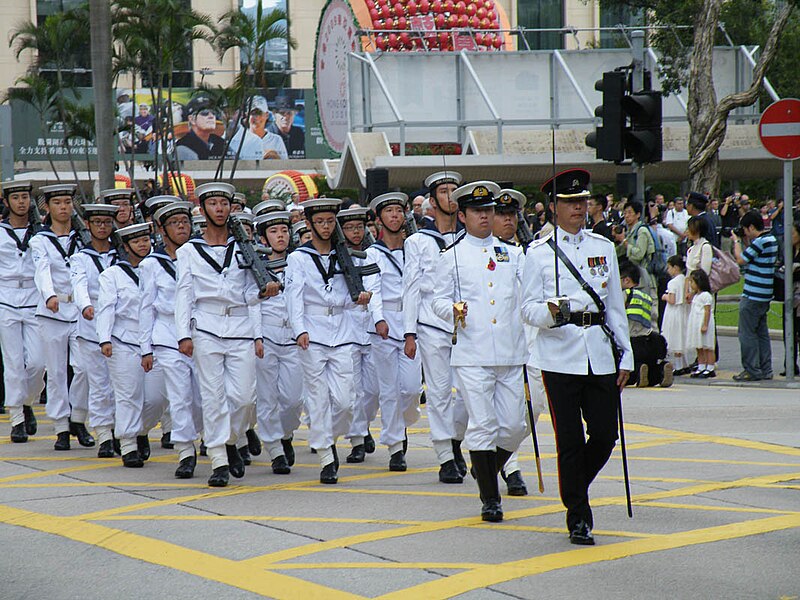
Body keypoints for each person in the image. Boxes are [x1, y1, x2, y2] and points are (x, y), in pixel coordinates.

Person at [521, 169, 633, 545]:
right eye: (570, 202)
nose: (578, 208)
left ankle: (572, 486)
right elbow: (527, 310)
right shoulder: (537, 253)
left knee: (604, 434)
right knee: (568, 440)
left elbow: (615, 304)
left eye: (582, 201)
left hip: (599, 352)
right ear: (553, 207)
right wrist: (552, 312)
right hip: (558, 354)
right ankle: (579, 516)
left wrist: (627, 355)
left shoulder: (602, 248)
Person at [432, 180, 529, 523]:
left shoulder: (513, 254)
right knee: (484, 424)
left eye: (488, 210)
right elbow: (436, 301)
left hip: (511, 352)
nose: (485, 217)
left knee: (517, 425)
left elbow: (526, 297)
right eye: (477, 211)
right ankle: (491, 497)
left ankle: (487, 467)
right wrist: (452, 310)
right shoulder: (451, 256)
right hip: (472, 354)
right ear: (463, 216)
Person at [175, 182, 277, 486]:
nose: (219, 209)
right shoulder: (188, 251)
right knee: (213, 396)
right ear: (202, 208)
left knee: (245, 399)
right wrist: (183, 334)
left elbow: (248, 292)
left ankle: (231, 439)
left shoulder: (243, 248)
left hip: (240, 326)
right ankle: (219, 458)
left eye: (224, 203)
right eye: (213, 203)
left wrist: (264, 292)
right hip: (206, 325)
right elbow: (184, 294)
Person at [284, 198, 374, 484]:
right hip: (312, 331)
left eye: (329, 221)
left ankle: (328, 436)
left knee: (347, 401)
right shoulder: (299, 257)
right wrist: (299, 330)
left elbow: (351, 296)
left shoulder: (343, 254)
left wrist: (360, 300)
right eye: (319, 221)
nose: (325, 226)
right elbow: (293, 296)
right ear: (309, 224)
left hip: (343, 331)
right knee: (318, 397)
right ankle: (326, 455)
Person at [403, 171, 469, 484]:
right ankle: (444, 454)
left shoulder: (469, 238)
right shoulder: (418, 241)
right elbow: (411, 287)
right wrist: (410, 332)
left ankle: (455, 438)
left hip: (467, 326)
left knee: (469, 394)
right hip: (431, 324)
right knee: (440, 393)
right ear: (432, 201)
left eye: (454, 190)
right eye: (443, 191)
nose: (450, 196)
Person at [139, 200, 203, 478]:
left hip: (201, 332)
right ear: (162, 230)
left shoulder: (201, 255)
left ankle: (211, 440)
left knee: (203, 399)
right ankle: (185, 451)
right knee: (179, 397)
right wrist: (146, 348)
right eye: (175, 224)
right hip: (167, 336)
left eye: (185, 222)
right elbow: (146, 307)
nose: (181, 227)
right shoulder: (152, 264)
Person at [30, 184, 93, 451]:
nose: (64, 207)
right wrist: (49, 295)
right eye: (58, 203)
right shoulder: (39, 240)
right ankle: (61, 428)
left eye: (68, 202)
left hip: (79, 311)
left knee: (85, 368)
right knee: (56, 372)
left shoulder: (83, 239)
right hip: (53, 311)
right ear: (47, 207)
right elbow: (42, 269)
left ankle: (78, 416)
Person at [366, 192, 422, 471]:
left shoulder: (414, 247)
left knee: (411, 389)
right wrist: (378, 319)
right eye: (389, 211)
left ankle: (402, 424)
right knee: (389, 390)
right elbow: (373, 289)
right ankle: (396, 446)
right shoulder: (372, 253)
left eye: (399, 211)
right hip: (384, 324)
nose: (395, 216)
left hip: (411, 321)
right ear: (379, 220)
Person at [96, 223, 153, 467]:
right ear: (126, 246)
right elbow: (106, 308)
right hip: (123, 339)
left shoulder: (157, 269)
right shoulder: (112, 274)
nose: (143, 244)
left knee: (155, 397)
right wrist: (104, 338)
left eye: (145, 240)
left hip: (153, 339)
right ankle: (128, 443)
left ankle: (141, 429)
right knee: (128, 393)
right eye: (136, 241)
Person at [69, 203, 120, 457]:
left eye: (106, 222)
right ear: (88, 225)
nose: (102, 227)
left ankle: (122, 431)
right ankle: (104, 435)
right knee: (99, 384)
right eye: (97, 222)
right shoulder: (80, 257)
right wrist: (85, 305)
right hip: (90, 327)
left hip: (118, 327)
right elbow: (78, 284)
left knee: (121, 385)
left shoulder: (120, 254)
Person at [252, 210, 298, 474]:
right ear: (263, 237)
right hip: (267, 336)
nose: (280, 236)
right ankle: (275, 450)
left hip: (293, 336)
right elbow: (254, 304)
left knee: (293, 399)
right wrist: (256, 336)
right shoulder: (256, 264)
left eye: (284, 231)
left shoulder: (299, 261)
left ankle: (286, 434)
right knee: (267, 397)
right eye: (273, 232)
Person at [0, 181, 44, 443]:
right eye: (15, 197)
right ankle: (17, 417)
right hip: (6, 298)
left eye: (25, 197)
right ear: (7, 202)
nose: (21, 202)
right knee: (14, 362)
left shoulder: (40, 233)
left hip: (34, 297)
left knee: (39, 362)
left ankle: (27, 401)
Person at [336, 206, 380, 462]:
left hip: (371, 326)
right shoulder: (336, 256)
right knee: (354, 390)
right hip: (347, 327)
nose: (355, 231)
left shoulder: (372, 254)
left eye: (359, 227)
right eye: (350, 227)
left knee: (372, 390)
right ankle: (357, 439)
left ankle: (363, 425)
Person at [730, 210, 779, 381]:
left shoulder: (760, 242)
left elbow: (741, 259)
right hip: (765, 294)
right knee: (761, 334)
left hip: (752, 294)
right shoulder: (771, 239)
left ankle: (751, 369)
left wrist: (736, 241)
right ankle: (766, 369)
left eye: (745, 228)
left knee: (747, 333)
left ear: (751, 227)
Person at [619, 262, 672, 388]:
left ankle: (638, 371)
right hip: (649, 340)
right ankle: (661, 370)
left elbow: (618, 318)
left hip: (632, 341)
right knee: (651, 369)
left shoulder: (624, 295)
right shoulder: (646, 297)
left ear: (626, 280)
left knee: (623, 369)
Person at [228, 96, 288, 161]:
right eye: (253, 113)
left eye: (260, 113)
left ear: (267, 115)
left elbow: (285, 167)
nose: (256, 117)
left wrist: (275, 157)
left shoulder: (276, 140)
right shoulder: (238, 139)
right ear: (247, 115)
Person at [661, 255, 690, 375]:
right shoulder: (685, 280)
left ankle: (678, 366)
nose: (668, 270)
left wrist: (664, 296)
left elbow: (672, 300)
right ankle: (685, 364)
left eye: (669, 267)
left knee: (675, 338)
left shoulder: (672, 283)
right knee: (681, 337)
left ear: (675, 267)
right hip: (683, 311)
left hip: (674, 313)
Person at [685, 269, 717, 378]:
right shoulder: (696, 296)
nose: (691, 285)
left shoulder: (706, 295)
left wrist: (705, 324)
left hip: (703, 321)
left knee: (707, 346)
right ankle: (701, 366)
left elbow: (707, 311)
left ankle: (710, 367)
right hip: (696, 322)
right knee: (699, 346)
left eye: (692, 282)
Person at [175, 96, 226, 161]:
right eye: (205, 113)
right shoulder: (182, 146)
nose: (211, 116)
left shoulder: (220, 142)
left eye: (214, 113)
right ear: (192, 119)